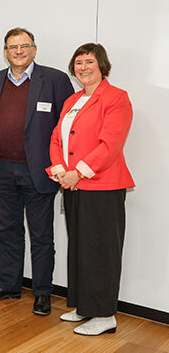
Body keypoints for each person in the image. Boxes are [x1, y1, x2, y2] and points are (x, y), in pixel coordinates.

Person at [0, 28, 74, 315]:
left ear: (34, 49)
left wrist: (64, 167)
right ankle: (9, 284)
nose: (18, 51)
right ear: (5, 51)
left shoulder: (55, 80)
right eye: (12, 47)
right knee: (7, 231)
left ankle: (42, 292)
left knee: (41, 236)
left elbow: (68, 128)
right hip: (3, 169)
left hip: (39, 172)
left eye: (24, 46)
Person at [46, 43, 133, 336]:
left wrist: (77, 173)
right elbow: (56, 139)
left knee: (101, 251)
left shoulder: (116, 98)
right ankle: (84, 306)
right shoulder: (72, 100)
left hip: (102, 186)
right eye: (79, 63)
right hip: (73, 185)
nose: (83, 68)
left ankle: (105, 315)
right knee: (80, 247)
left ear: (102, 65)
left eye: (89, 62)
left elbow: (110, 145)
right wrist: (60, 171)